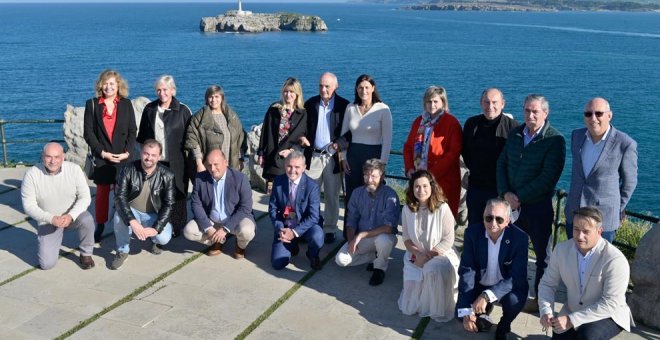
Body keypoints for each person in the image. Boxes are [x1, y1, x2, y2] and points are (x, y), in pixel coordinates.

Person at [496, 94, 565, 309]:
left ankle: (541, 300)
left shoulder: (554, 140)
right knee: (511, 250)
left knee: (543, 256)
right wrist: (505, 193)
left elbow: (548, 178)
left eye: (535, 111)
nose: (530, 115)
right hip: (511, 206)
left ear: (546, 113)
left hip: (537, 208)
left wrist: (518, 197)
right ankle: (513, 289)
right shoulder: (516, 133)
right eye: (527, 110)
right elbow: (502, 164)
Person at [539, 206, 634, 339]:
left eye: (586, 231)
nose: (579, 236)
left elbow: (610, 303)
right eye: (576, 229)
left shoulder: (615, 260)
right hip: (573, 309)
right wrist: (546, 312)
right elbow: (547, 284)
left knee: (588, 336)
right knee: (560, 334)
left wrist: (572, 320)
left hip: (608, 314)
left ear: (599, 231)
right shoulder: (561, 250)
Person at [564, 97, 637, 243]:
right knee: (573, 260)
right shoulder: (576, 136)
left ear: (609, 115)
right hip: (575, 214)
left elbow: (630, 183)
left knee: (599, 263)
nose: (593, 118)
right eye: (588, 114)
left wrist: (616, 208)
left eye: (599, 113)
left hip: (602, 220)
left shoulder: (625, 143)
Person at [456, 198, 529, 340]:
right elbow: (467, 271)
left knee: (514, 301)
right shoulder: (472, 233)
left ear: (508, 221)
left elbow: (517, 277)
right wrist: (466, 312)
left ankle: (504, 326)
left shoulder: (520, 238)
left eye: (499, 219)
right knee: (461, 317)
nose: (493, 223)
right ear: (483, 217)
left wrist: (486, 296)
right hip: (480, 284)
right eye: (488, 218)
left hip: (507, 287)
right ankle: (484, 311)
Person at [21, 143, 95, 270]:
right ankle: (53, 239)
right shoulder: (31, 174)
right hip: (48, 219)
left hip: (71, 215)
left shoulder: (74, 169)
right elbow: (29, 206)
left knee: (87, 220)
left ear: (63, 157)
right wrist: (51, 219)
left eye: (56, 157)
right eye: (48, 156)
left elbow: (85, 197)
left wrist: (71, 215)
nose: (53, 161)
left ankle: (86, 253)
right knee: (46, 265)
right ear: (42, 156)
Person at [83, 69, 137, 243]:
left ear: (118, 86)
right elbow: (88, 133)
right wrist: (103, 153)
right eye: (105, 83)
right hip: (102, 157)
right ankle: (100, 224)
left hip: (123, 156)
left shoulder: (126, 104)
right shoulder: (92, 104)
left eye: (112, 83)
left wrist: (127, 153)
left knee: (123, 193)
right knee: (102, 194)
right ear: (100, 85)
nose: (108, 86)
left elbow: (132, 130)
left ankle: (125, 223)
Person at [398, 170, 460, 322]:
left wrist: (427, 256)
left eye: (425, 186)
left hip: (439, 254)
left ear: (432, 187)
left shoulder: (443, 208)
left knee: (432, 270)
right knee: (408, 308)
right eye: (417, 187)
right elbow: (405, 238)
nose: (421, 190)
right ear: (412, 189)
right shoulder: (407, 209)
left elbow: (448, 239)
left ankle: (436, 306)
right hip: (415, 255)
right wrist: (417, 254)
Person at [137, 75, 193, 237]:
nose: (162, 93)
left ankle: (177, 226)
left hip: (178, 161)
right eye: (159, 90)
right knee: (158, 195)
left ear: (173, 90)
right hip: (156, 162)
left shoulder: (183, 110)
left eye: (165, 90)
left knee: (179, 194)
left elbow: (191, 138)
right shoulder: (149, 109)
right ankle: (160, 227)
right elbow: (143, 137)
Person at [300, 72, 350, 244]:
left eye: (327, 86)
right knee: (308, 195)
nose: (323, 89)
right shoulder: (311, 103)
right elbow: (302, 125)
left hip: (332, 158)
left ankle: (329, 229)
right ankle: (308, 226)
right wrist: (303, 137)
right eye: (321, 85)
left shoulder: (344, 106)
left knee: (332, 195)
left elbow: (351, 132)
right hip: (313, 156)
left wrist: (339, 144)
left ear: (336, 86)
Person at [111, 139, 176, 270]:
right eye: (146, 153)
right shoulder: (127, 169)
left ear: (159, 157)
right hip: (132, 210)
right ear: (141, 153)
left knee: (164, 237)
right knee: (119, 217)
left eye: (153, 155)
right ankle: (122, 251)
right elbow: (120, 197)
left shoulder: (167, 175)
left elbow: (169, 205)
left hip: (153, 214)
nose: (149, 158)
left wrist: (156, 228)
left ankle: (154, 241)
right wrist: (132, 221)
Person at [335, 159, 399, 286]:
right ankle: (372, 256)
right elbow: (351, 220)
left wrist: (360, 235)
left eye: (374, 176)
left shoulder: (390, 195)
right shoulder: (357, 193)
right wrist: (351, 239)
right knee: (341, 260)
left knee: (383, 241)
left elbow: (388, 228)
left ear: (382, 176)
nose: (369, 180)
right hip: (364, 239)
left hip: (383, 236)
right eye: (367, 175)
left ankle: (379, 268)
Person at [184, 149, 255, 259]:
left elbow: (245, 208)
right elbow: (196, 205)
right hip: (212, 220)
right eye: (209, 165)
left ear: (225, 162)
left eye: (216, 164)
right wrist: (208, 228)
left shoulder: (240, 179)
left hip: (234, 219)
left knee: (247, 231)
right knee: (189, 231)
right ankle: (217, 241)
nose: (212, 169)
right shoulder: (200, 179)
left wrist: (225, 229)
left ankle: (240, 246)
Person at [462, 88, 518, 227]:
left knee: (498, 227)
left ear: (503, 104)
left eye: (494, 102)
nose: (490, 106)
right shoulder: (471, 124)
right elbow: (466, 152)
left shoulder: (513, 127)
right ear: (481, 103)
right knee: (475, 225)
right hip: (476, 186)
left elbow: (517, 160)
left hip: (500, 190)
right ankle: (473, 249)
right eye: (486, 102)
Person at [403, 86, 462, 217]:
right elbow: (408, 147)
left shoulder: (451, 123)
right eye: (429, 101)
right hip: (419, 181)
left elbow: (453, 154)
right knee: (420, 217)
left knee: (441, 218)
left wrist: (430, 176)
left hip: (443, 181)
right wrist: (410, 169)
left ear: (443, 103)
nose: (432, 105)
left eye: (436, 101)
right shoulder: (419, 121)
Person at [337, 74, 392, 211]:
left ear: (373, 88)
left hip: (374, 157)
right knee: (353, 194)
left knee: (373, 195)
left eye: (367, 87)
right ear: (356, 89)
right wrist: (343, 158)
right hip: (353, 156)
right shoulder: (350, 108)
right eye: (360, 87)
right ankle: (351, 231)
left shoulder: (383, 109)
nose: (364, 91)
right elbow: (343, 136)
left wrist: (382, 164)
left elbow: (387, 139)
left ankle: (373, 231)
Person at [269, 150, 324, 270]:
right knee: (277, 264)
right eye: (289, 166)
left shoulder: (312, 186)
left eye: (297, 167)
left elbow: (314, 216)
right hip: (286, 225)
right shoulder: (278, 181)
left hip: (306, 226)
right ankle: (292, 246)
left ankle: (313, 254)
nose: (292, 170)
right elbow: (273, 209)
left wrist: (294, 233)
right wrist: (279, 228)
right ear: (285, 166)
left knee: (318, 236)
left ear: (304, 168)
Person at [258, 77, 307, 189]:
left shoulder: (302, 113)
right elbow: (265, 132)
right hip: (272, 157)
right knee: (274, 196)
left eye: (291, 91)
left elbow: (302, 136)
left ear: (297, 94)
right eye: (285, 91)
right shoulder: (274, 109)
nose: (288, 94)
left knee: (291, 194)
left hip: (291, 160)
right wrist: (261, 153)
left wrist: (291, 151)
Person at [185, 85, 246, 173]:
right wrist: (199, 164)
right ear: (207, 99)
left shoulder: (231, 116)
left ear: (222, 98)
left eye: (217, 96)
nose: (213, 100)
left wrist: (240, 159)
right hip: (209, 167)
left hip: (230, 165)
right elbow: (193, 141)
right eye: (211, 97)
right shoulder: (199, 117)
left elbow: (239, 138)